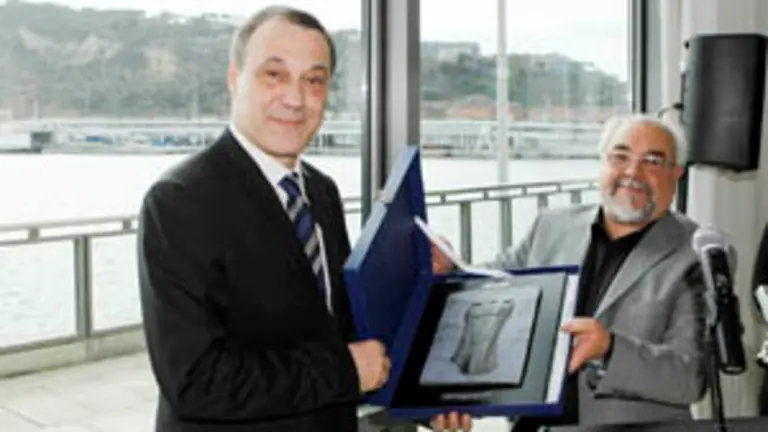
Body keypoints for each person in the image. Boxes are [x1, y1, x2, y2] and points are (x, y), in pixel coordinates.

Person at [138, 6, 396, 431]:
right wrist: (344, 371)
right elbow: (197, 382)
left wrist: (428, 392)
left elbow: (338, 330)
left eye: (314, 81)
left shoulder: (321, 191)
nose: (295, 99)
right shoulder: (179, 203)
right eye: (273, 75)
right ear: (234, 79)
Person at [432, 113, 708, 427]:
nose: (633, 172)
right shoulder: (550, 226)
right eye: (620, 156)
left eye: (653, 161)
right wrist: (451, 269)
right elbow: (491, 285)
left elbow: (690, 376)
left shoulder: (696, 253)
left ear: (677, 174)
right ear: (603, 164)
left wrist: (610, 348)